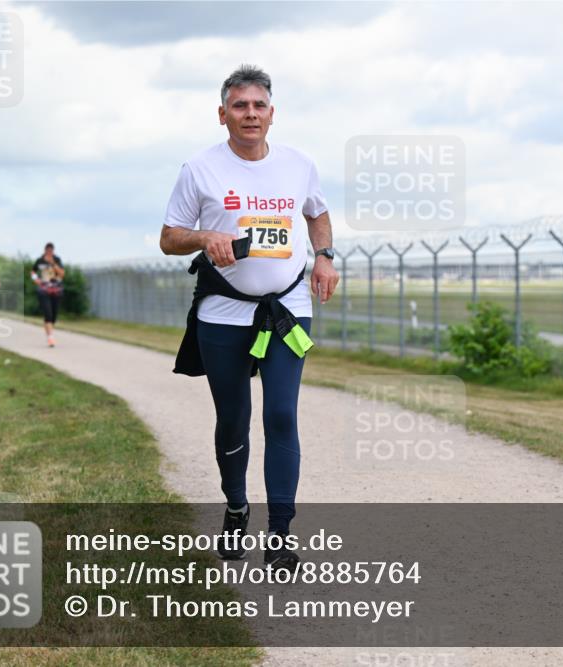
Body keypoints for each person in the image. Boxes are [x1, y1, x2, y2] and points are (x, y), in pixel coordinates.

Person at [160, 65, 339, 571]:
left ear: (272, 114)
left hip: (286, 308)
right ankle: (237, 507)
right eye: (240, 106)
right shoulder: (199, 169)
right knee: (233, 418)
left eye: (259, 106)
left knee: (282, 415)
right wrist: (203, 237)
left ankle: (280, 533)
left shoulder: (299, 164)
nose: (250, 114)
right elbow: (169, 237)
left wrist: (324, 254)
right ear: (223, 115)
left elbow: (317, 212)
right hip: (224, 312)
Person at [31, 243, 65, 347]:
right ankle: (50, 337)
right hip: (44, 289)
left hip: (56, 289)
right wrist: (36, 280)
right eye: (48, 250)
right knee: (48, 313)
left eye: (51, 250)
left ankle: (49, 331)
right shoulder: (39, 260)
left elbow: (62, 274)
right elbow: (32, 272)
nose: (49, 252)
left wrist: (53, 264)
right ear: (45, 250)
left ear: (53, 251)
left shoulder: (57, 260)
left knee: (54, 316)